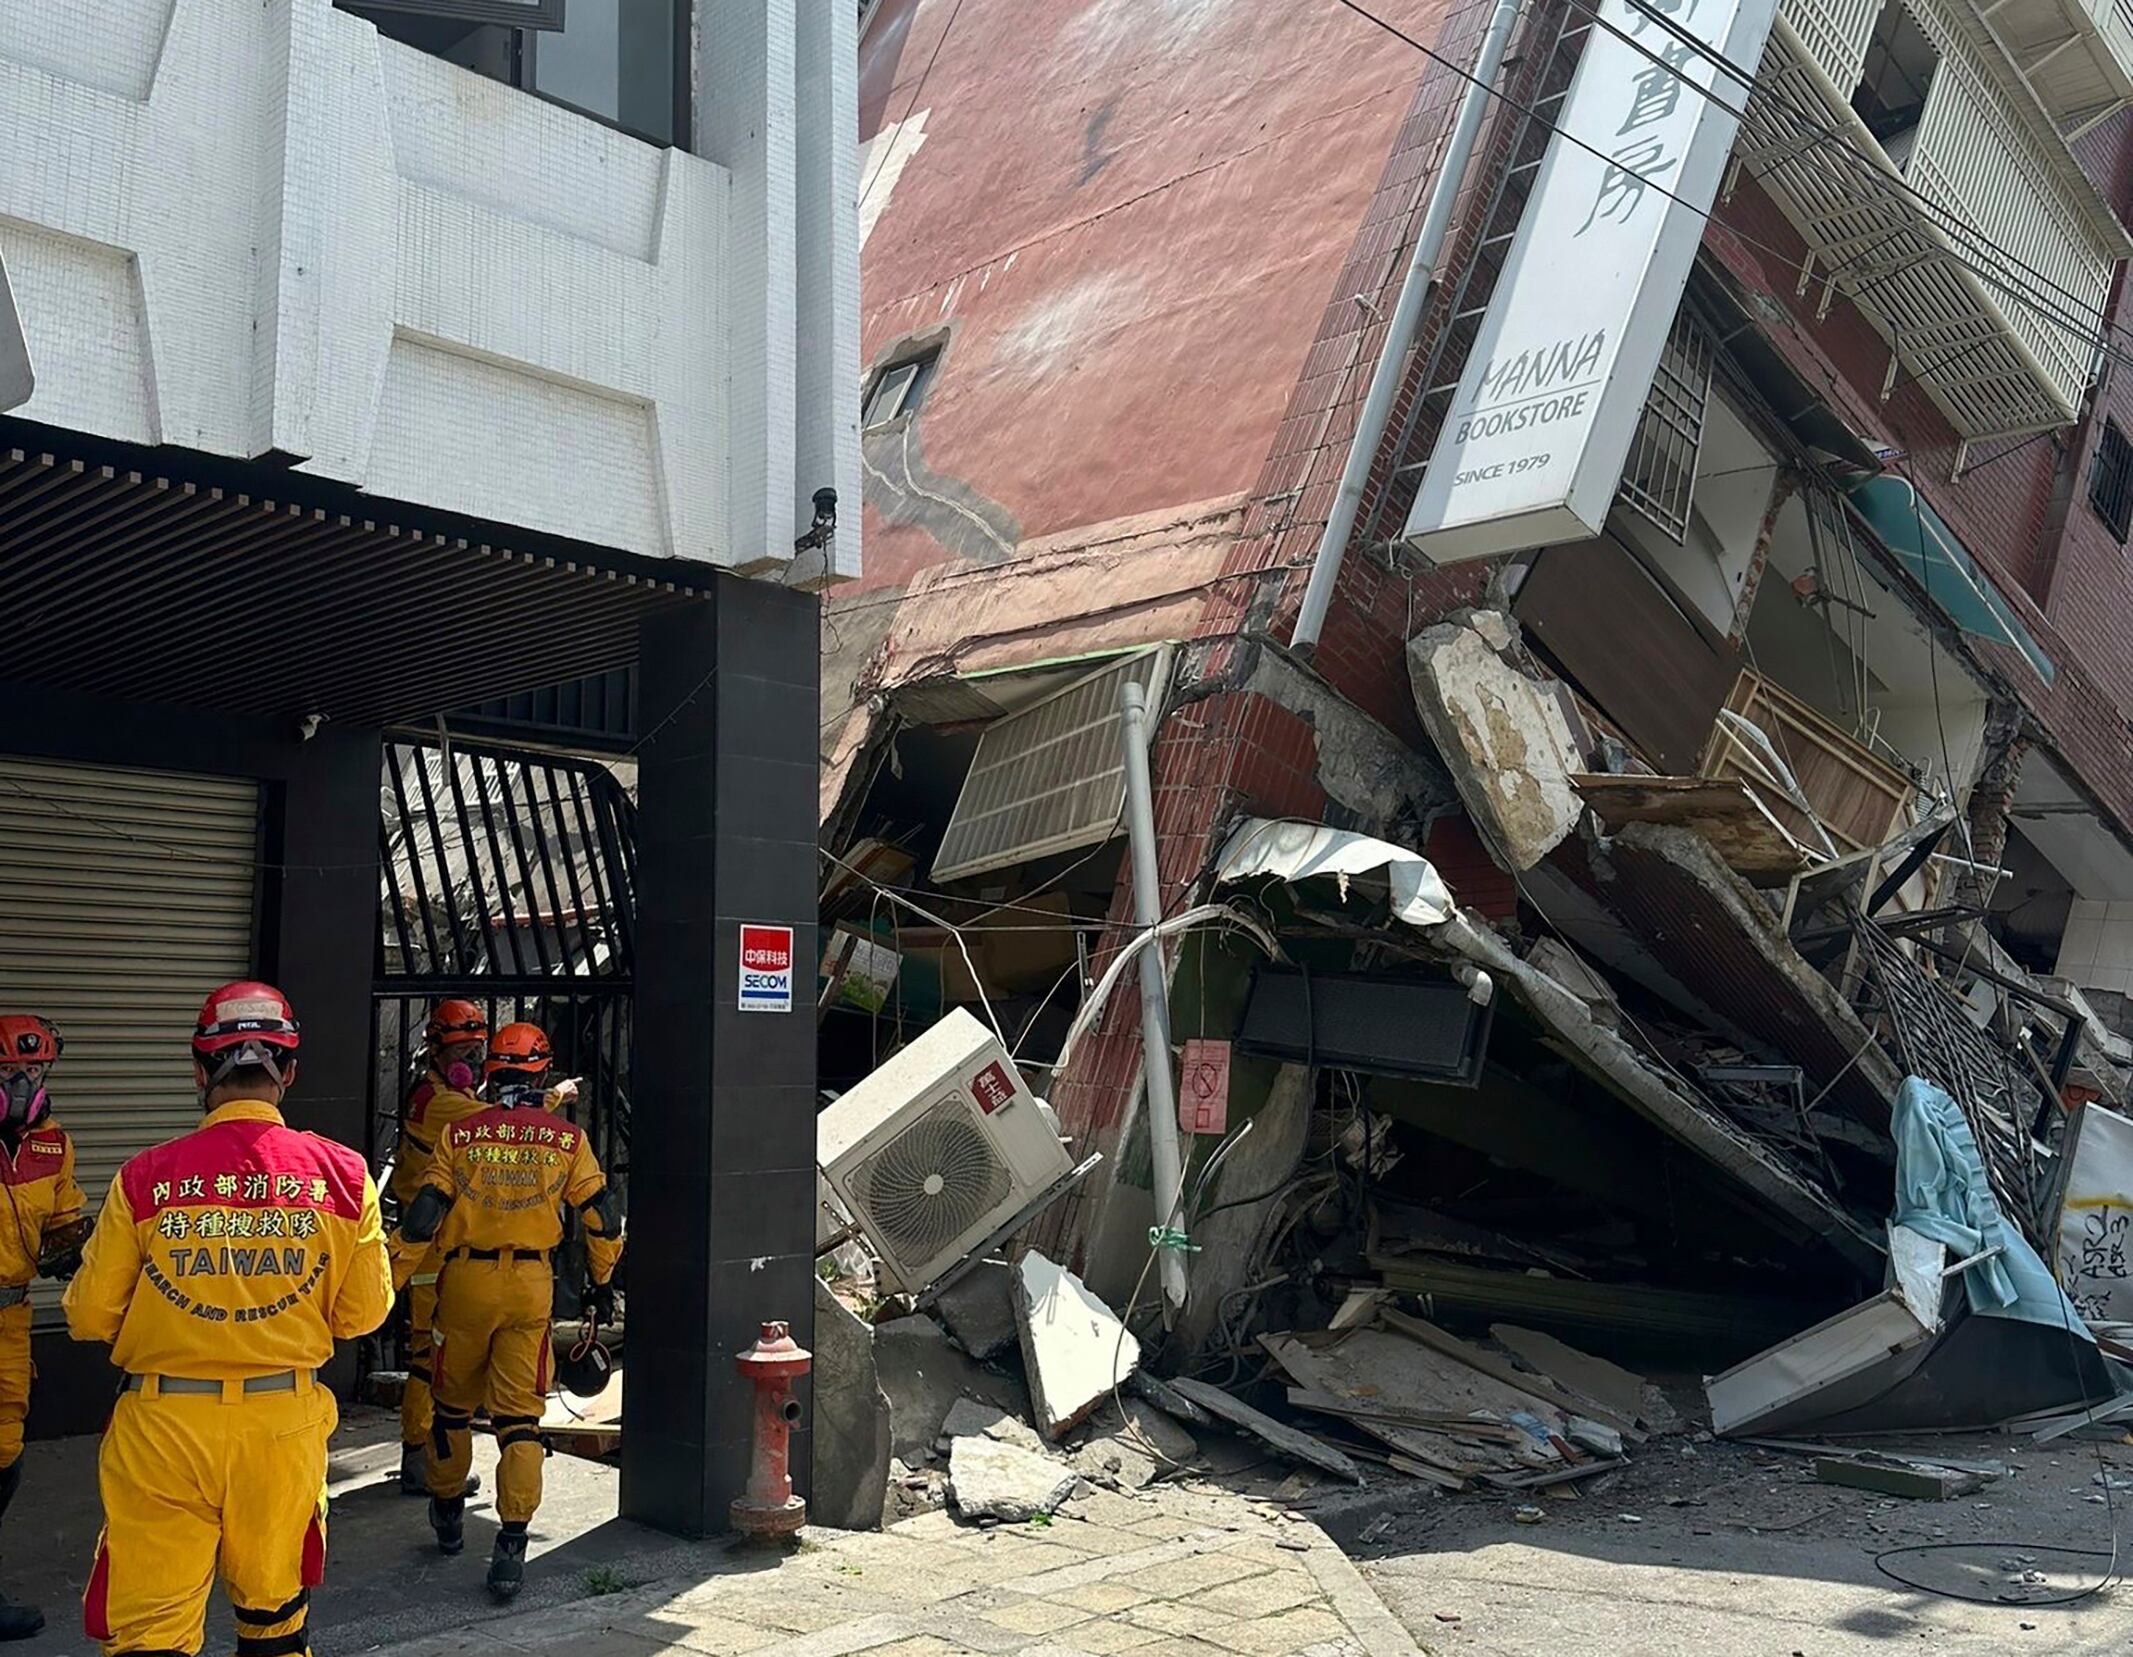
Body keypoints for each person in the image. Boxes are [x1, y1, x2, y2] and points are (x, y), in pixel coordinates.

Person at [64, 981, 392, 1657]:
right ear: (289, 1071)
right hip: (281, 1424)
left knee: (149, 1636)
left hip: (162, 1428)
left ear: (197, 1068)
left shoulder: (143, 1177)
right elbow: (363, 1315)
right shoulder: (344, 1175)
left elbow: (90, 1313)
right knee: (275, 1624)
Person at [394, 1021, 622, 1601]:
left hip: (465, 1284)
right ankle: (512, 1546)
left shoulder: (462, 1134)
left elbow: (423, 1216)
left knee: (450, 1408)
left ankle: (447, 1513)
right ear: (543, 1072)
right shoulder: (567, 1142)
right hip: (531, 1286)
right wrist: (601, 1282)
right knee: (520, 1420)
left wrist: (385, 1278)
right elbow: (603, 1218)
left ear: (490, 1072)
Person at [0, 1016, 88, 1641]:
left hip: (11, 1315)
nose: (25, 1084)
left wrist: (78, 1250)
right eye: (9, 1074)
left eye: (35, 1072)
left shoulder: (54, 1145)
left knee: (4, 1452)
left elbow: (63, 1223)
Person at [387, 1000, 490, 1494]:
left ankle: (433, 1453)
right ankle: (419, 1457)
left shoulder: (442, 1093)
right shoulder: (436, 1101)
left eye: (477, 1049)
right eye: (462, 1049)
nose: (471, 1060)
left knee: (448, 1357)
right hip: (426, 1247)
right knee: (429, 1358)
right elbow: (493, 1123)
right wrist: (549, 1099)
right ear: (436, 1048)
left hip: (449, 1243)